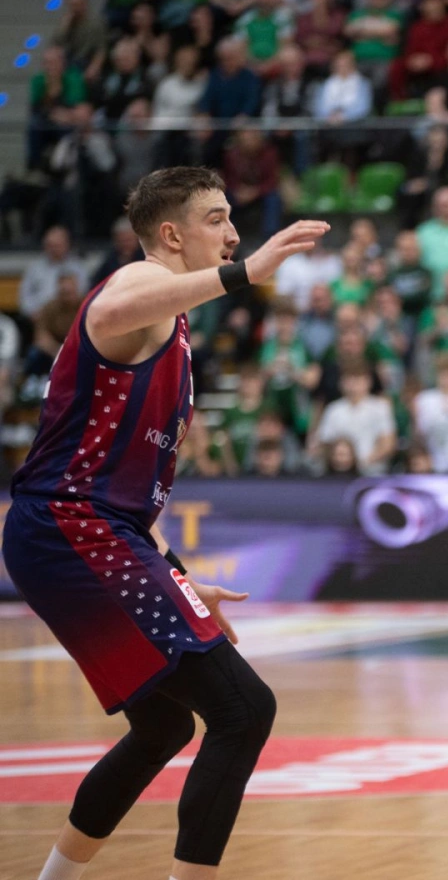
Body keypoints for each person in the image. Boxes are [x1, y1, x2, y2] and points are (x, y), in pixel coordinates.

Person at [2, 167, 328, 880]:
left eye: (232, 218)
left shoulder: (173, 323)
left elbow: (128, 495)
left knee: (163, 726)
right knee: (244, 710)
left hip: (90, 531)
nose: (233, 232)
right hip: (70, 528)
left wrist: (177, 578)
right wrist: (247, 273)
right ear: (172, 235)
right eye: (216, 218)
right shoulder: (139, 286)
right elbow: (111, 309)